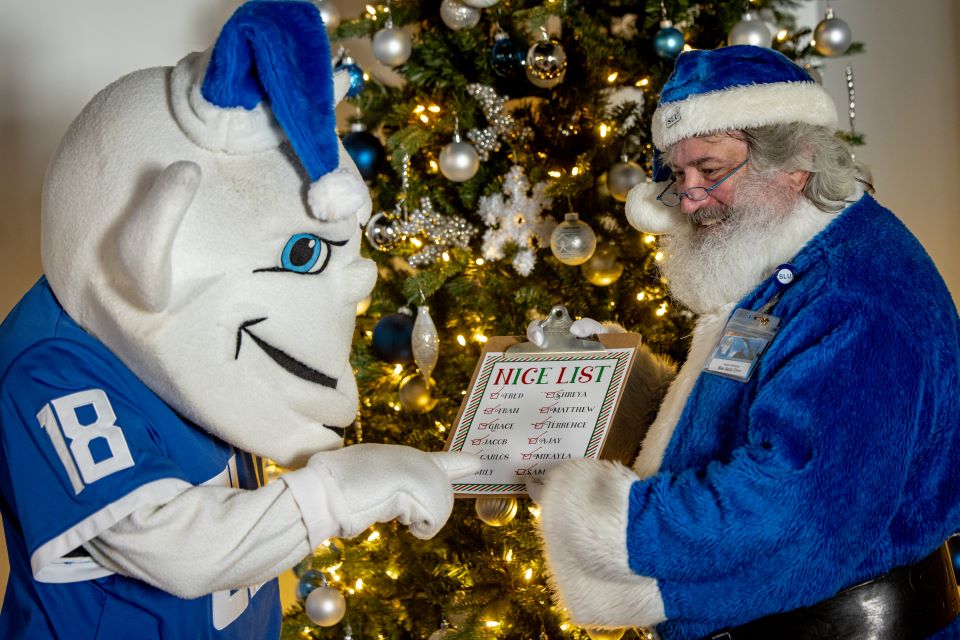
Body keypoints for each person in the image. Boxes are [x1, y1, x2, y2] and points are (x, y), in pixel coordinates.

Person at [0, 3, 476, 638]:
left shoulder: (166, 351)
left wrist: (384, 471)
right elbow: (172, 547)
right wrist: (339, 494)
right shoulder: (54, 372)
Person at [532, 45, 960, 639]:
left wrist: (601, 520)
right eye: (677, 176)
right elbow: (746, 403)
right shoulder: (789, 262)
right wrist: (618, 386)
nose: (687, 198)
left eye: (710, 172)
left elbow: (798, 510)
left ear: (796, 159)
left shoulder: (854, 296)